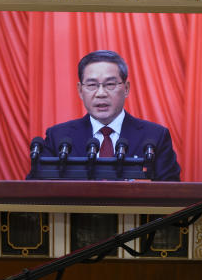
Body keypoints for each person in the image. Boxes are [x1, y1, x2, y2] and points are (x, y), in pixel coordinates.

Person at [34, 50, 180, 181]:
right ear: (80, 91)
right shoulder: (58, 137)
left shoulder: (155, 137)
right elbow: (35, 191)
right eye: (92, 85)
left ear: (126, 88)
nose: (101, 93)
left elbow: (171, 194)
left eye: (110, 84)